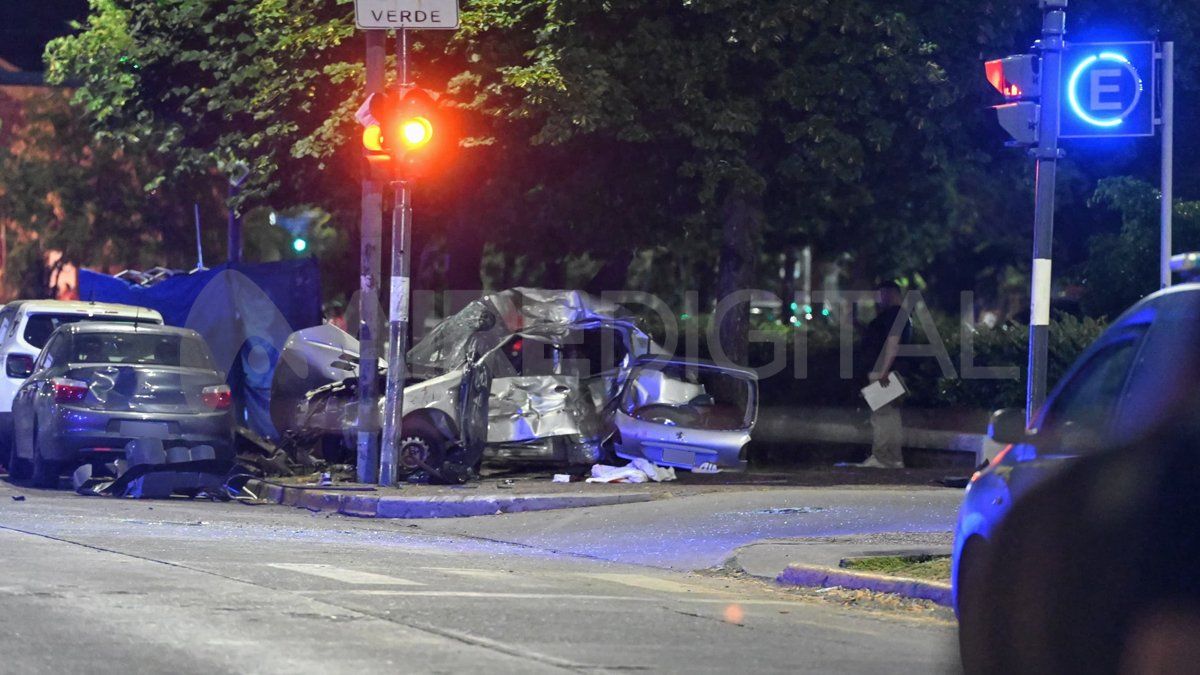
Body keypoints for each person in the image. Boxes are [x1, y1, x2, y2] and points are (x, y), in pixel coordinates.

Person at [856, 280, 911, 468]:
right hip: (891, 371)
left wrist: (883, 371)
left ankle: (882, 458)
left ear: (891, 293)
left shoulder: (894, 315)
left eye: (883, 294)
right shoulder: (899, 315)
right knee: (889, 415)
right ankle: (893, 458)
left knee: (882, 415)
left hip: (886, 372)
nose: (880, 299)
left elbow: (892, 343)